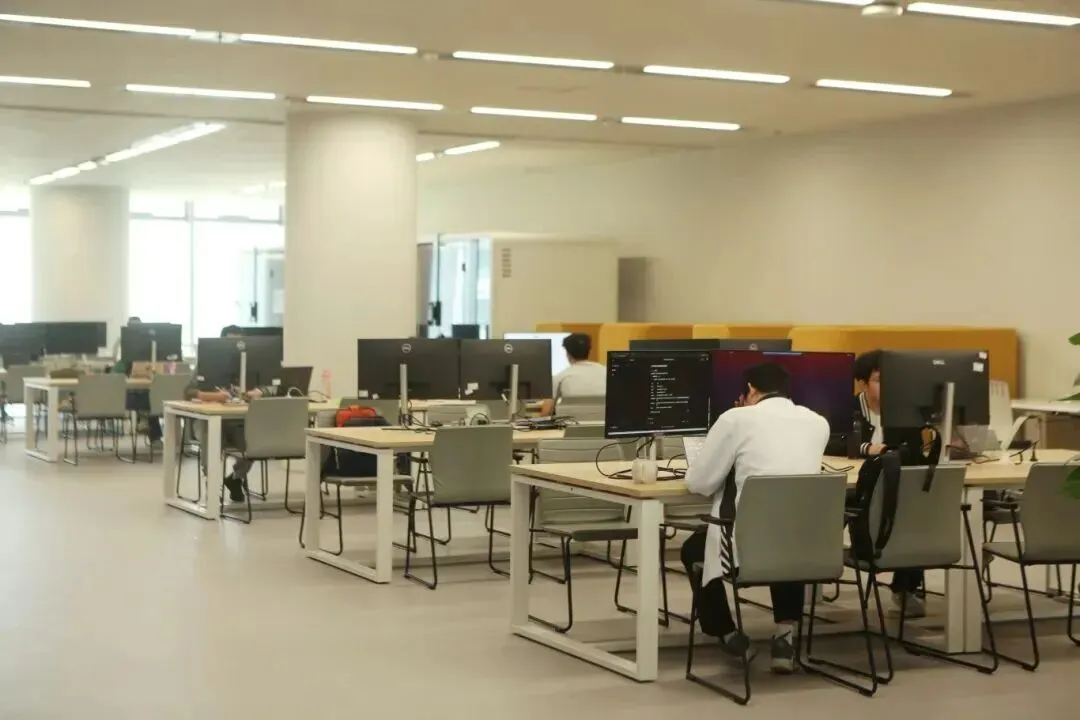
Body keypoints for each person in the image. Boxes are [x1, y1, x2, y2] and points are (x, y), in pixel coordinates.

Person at [682, 362, 830, 674]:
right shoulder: (818, 422)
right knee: (786, 529)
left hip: (748, 549)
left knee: (693, 549)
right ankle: (784, 639)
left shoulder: (735, 419)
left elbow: (700, 483)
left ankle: (729, 635)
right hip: (802, 548)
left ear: (750, 390)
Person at [829, 349, 926, 617]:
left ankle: (905, 588)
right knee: (828, 506)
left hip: (891, 482)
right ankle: (811, 572)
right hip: (854, 483)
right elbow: (830, 441)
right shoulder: (846, 408)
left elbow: (914, 448)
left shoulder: (905, 412)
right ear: (863, 383)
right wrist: (865, 448)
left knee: (916, 507)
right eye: (879, 380)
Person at [188, 324, 265, 503]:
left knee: (256, 442)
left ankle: (235, 478)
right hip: (209, 421)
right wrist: (213, 396)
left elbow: (267, 387)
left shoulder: (250, 366)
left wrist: (259, 392)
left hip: (237, 422)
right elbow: (188, 391)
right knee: (211, 435)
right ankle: (212, 483)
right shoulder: (207, 364)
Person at [539, 333, 606, 415]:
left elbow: (546, 411)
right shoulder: (606, 372)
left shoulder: (560, 377)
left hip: (571, 422)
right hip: (603, 422)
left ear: (567, 354)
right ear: (590, 351)